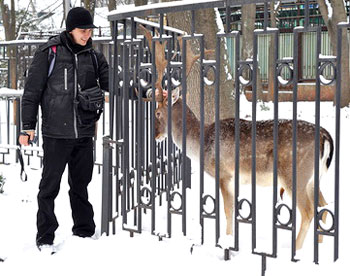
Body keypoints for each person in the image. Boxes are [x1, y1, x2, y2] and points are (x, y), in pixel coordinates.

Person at [19, 7, 109, 252]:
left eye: (90, 30)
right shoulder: (50, 53)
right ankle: (45, 237)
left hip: (84, 132)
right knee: (49, 188)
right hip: (56, 134)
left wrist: (147, 92)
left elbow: (114, 83)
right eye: (83, 30)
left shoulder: (94, 56)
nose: (87, 35)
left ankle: (84, 232)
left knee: (81, 185)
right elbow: (31, 93)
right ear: (70, 29)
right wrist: (28, 127)